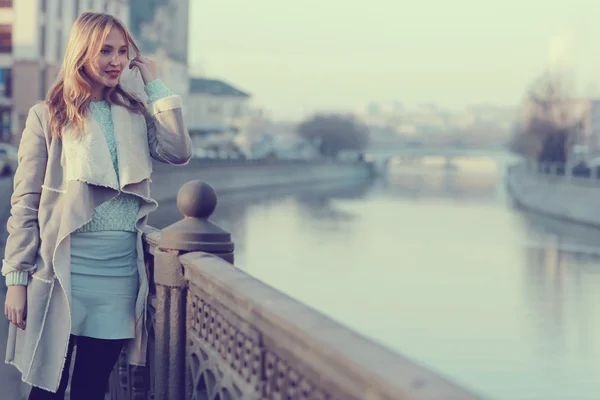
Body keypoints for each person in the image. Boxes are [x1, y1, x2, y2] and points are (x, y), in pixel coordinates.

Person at [2, 11, 191, 399]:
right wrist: (16, 279)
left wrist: (153, 83)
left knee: (91, 390)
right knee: (46, 390)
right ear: (82, 51)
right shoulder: (47, 115)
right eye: (105, 50)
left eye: (123, 51)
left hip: (119, 274)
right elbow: (25, 201)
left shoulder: (136, 112)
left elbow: (178, 150)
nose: (116, 61)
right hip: (62, 271)